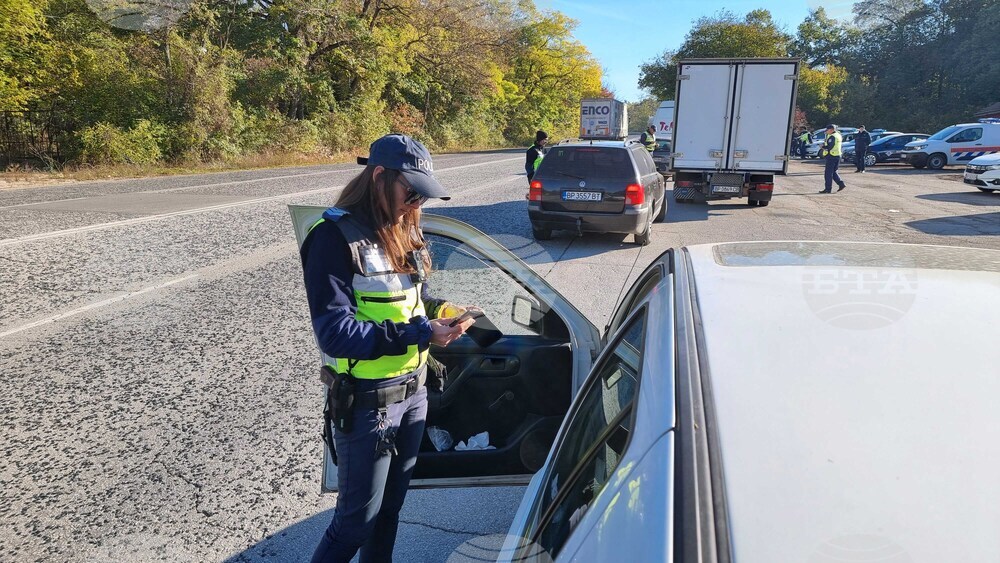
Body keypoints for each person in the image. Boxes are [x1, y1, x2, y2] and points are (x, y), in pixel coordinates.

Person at [300, 133, 477, 563]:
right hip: (368, 405)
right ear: (379, 176)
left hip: (414, 394)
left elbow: (412, 301)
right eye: (411, 192)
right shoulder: (333, 237)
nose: (416, 203)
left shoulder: (401, 231)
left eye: (423, 196)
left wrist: (445, 311)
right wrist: (420, 334)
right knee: (354, 525)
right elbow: (336, 333)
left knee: (389, 513)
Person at [818, 124, 846, 193]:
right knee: (834, 172)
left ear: (831, 130)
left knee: (828, 174)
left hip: (832, 156)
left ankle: (828, 189)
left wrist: (822, 147)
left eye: (827, 130)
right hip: (837, 155)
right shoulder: (838, 135)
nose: (826, 131)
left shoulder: (833, 137)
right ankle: (841, 184)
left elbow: (830, 147)